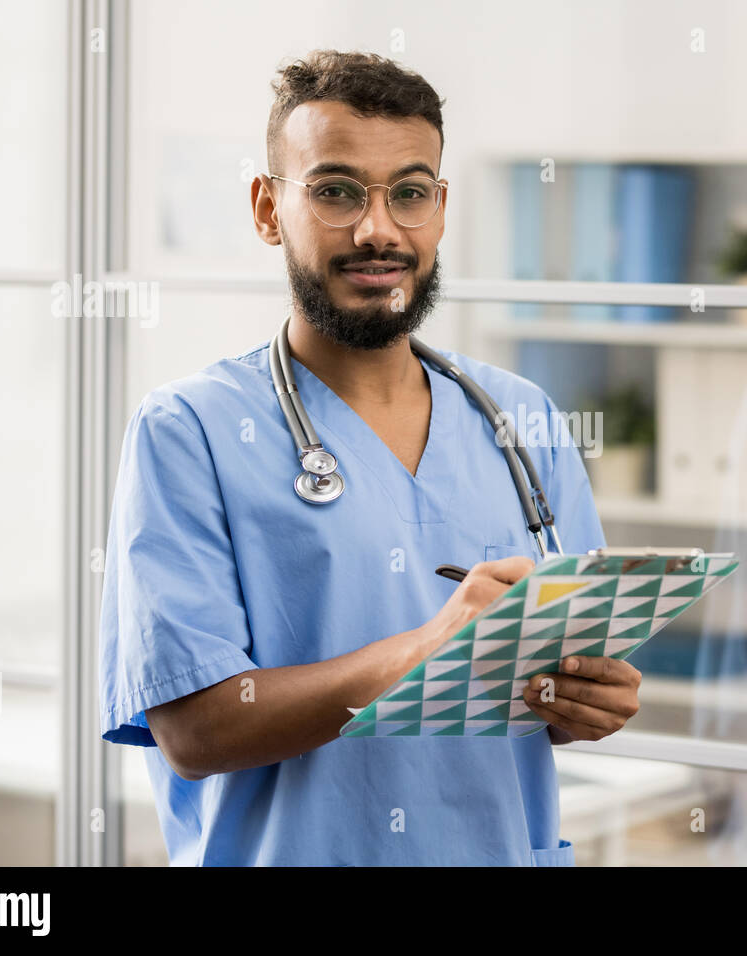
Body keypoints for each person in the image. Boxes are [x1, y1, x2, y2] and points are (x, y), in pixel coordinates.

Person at [98, 50, 642, 866]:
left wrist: (587, 699)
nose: (378, 228)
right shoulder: (189, 430)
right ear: (266, 206)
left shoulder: (521, 417)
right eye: (335, 190)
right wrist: (432, 646)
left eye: (409, 193)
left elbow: (557, 687)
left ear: (441, 209)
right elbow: (195, 730)